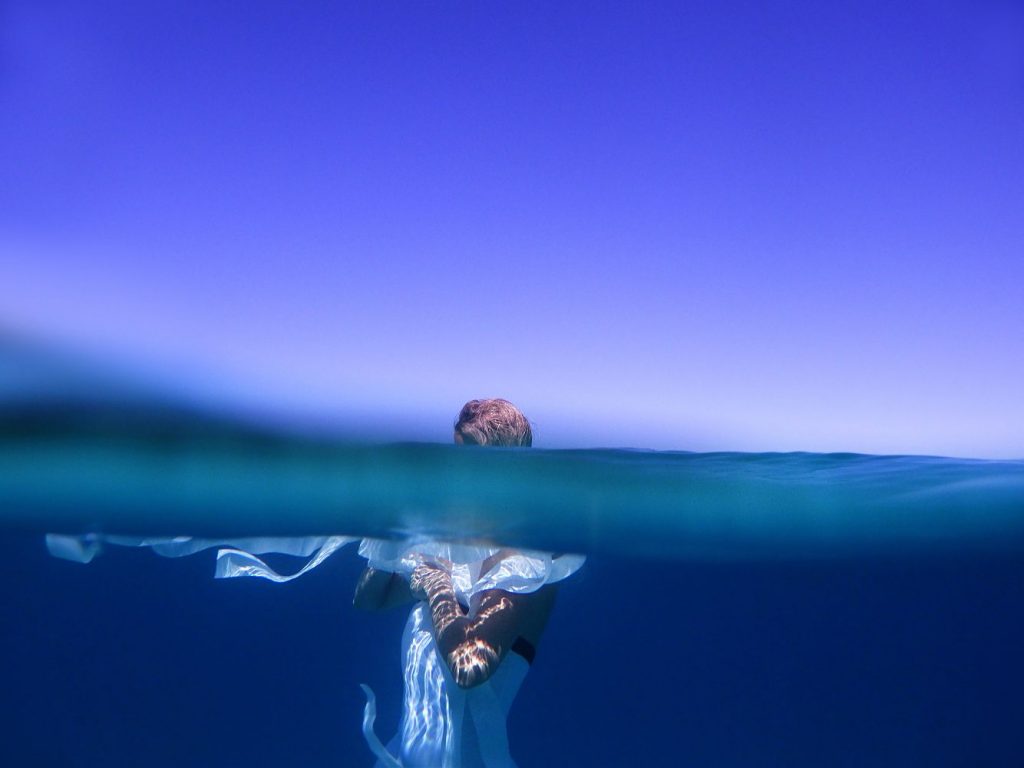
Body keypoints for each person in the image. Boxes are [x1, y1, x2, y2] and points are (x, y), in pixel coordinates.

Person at [354, 399, 575, 768]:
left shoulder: (529, 554)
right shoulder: (452, 541)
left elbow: (470, 667)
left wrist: (436, 587)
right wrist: (396, 532)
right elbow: (368, 599)